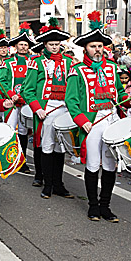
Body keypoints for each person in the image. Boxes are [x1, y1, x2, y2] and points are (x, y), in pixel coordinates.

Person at [65, 11, 130, 222]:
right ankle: (93, 206)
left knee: (110, 165)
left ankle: (105, 206)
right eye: (93, 46)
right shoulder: (77, 70)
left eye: (100, 46)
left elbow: (119, 93)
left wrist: (128, 100)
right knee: (93, 164)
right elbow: (71, 101)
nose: (98, 50)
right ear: (85, 48)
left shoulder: (112, 68)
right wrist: (82, 121)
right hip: (92, 124)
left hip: (111, 120)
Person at [25, 19, 76, 200]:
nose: (55, 47)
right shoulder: (36, 62)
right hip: (45, 110)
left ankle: (59, 184)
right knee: (47, 146)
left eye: (57, 44)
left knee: (60, 148)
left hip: (64, 109)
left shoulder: (70, 62)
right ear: (44, 44)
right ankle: (47, 185)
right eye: (51, 44)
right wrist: (37, 108)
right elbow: (27, 89)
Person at [0, 22, 35, 179]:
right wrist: (11, 94)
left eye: (26, 45)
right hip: (12, 103)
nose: (24, 47)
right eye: (21, 44)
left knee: (24, 133)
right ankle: (8, 161)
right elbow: (2, 80)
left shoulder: (33, 62)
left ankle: (23, 161)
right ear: (15, 46)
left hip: (26, 102)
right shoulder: (7, 63)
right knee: (9, 130)